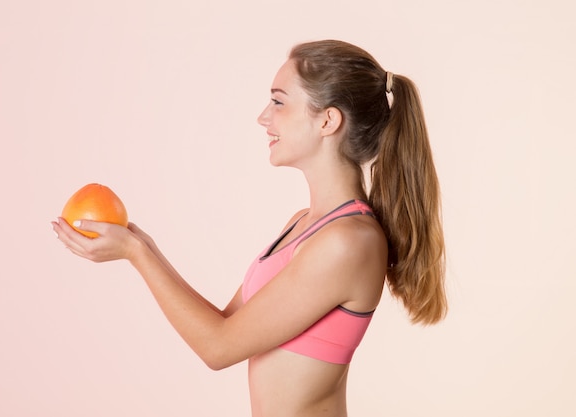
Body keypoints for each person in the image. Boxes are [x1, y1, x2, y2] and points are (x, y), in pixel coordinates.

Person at [52, 39, 447, 417]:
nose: (263, 116)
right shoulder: (303, 224)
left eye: (278, 102)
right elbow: (225, 326)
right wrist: (142, 244)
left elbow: (218, 349)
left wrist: (136, 254)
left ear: (328, 120)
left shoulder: (348, 242)